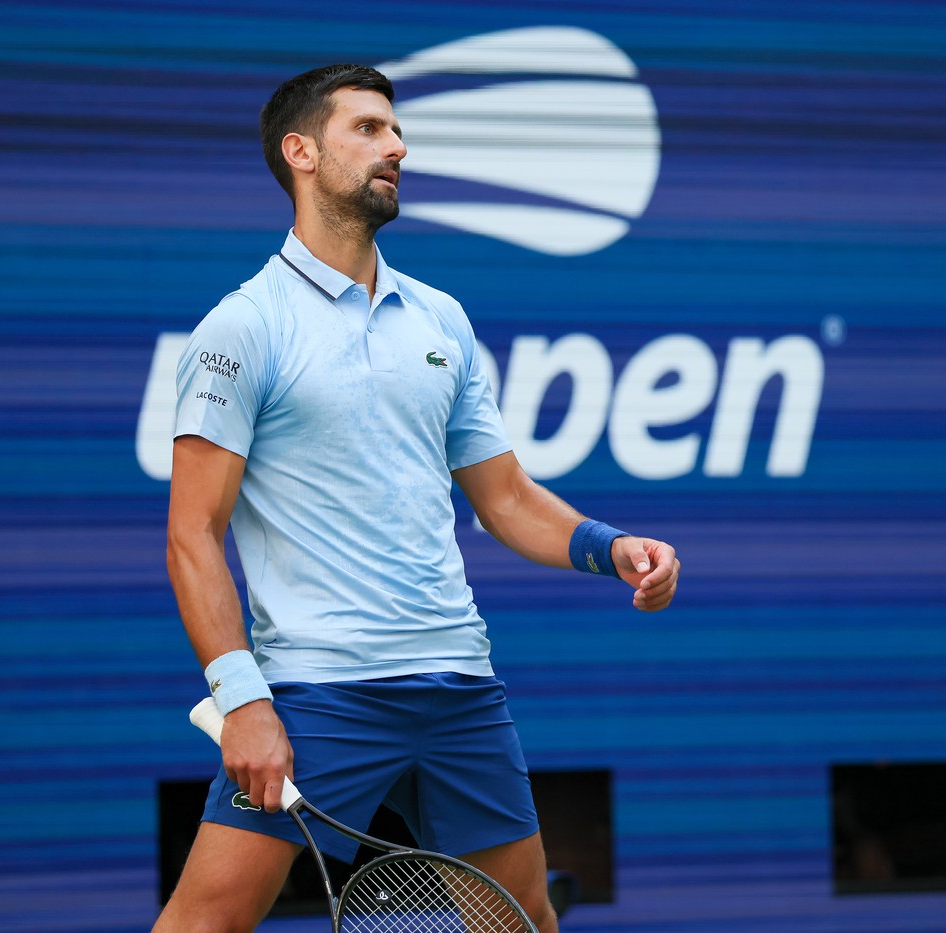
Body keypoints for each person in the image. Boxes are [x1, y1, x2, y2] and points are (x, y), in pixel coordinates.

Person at [153, 63, 679, 933]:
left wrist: (609, 545)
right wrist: (244, 700)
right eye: (366, 128)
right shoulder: (243, 328)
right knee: (203, 925)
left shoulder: (441, 320)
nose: (396, 145)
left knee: (525, 924)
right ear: (302, 153)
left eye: (395, 130)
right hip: (323, 691)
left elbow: (505, 498)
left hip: (460, 687)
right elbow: (192, 535)